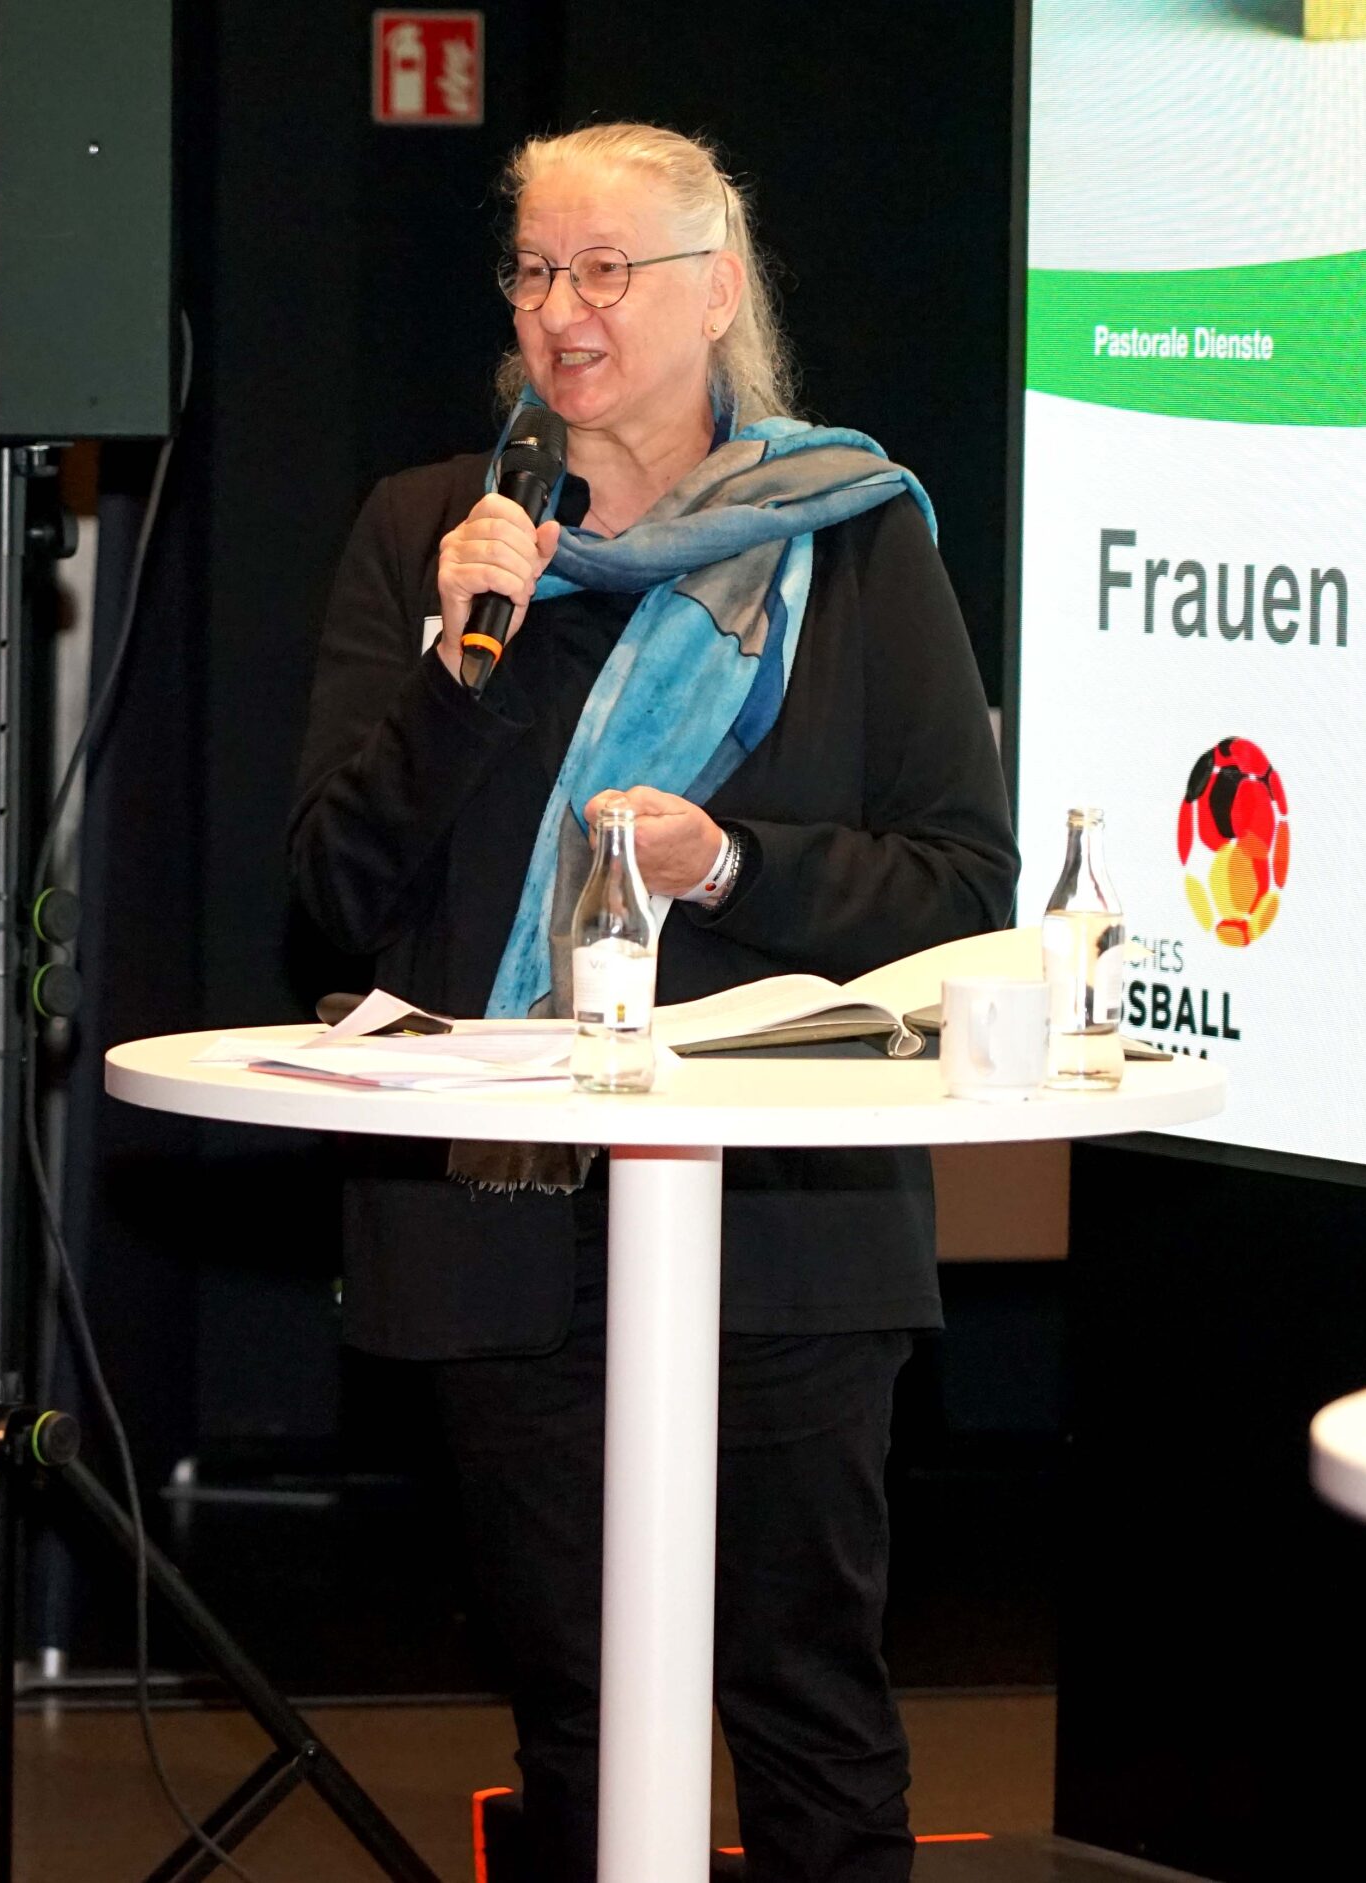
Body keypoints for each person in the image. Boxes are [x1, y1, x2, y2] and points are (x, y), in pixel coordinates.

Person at [289, 124, 1017, 1883]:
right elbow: (327, 889)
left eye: (608, 271)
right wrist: (468, 669)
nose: (567, 313)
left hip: (784, 1235)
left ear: (719, 292)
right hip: (507, 1236)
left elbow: (960, 883)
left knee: (807, 1710)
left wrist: (732, 869)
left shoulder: (847, 544)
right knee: (577, 1732)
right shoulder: (429, 537)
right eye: (538, 272)